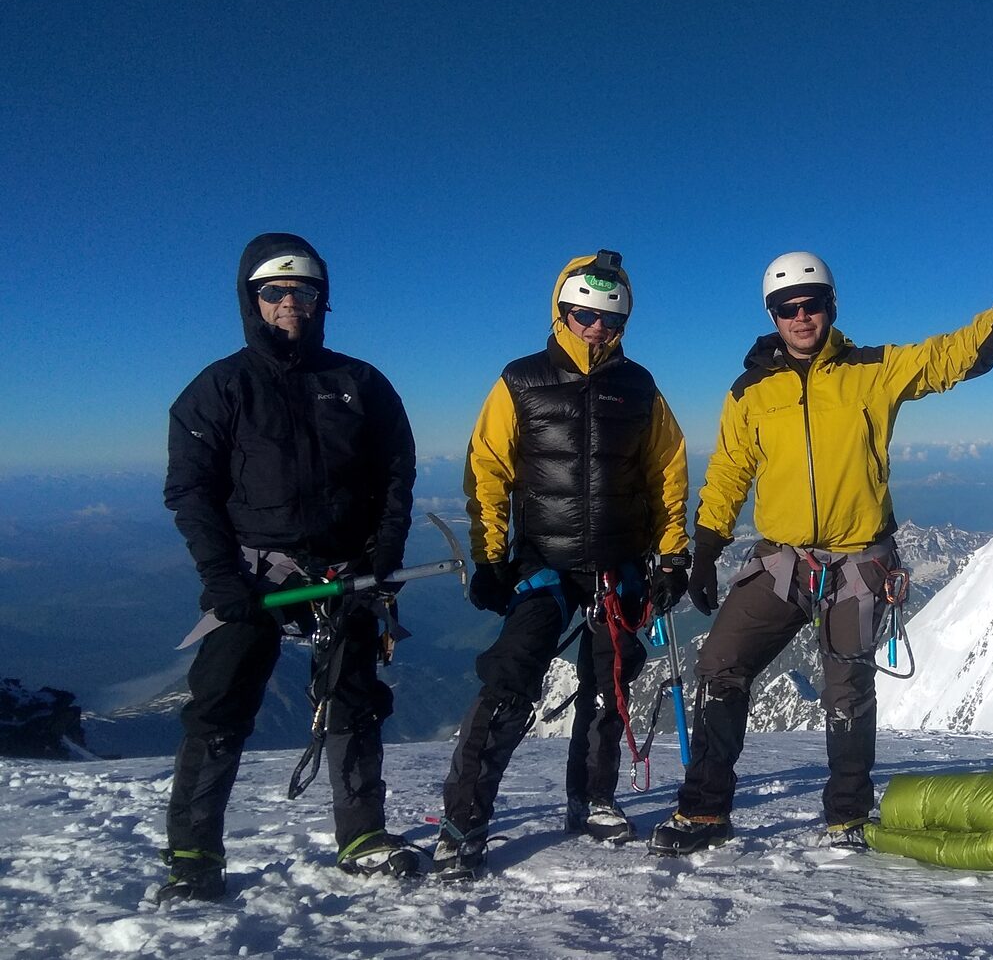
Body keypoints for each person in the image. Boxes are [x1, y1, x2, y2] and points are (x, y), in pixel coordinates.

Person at [649, 250, 993, 855]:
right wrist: (708, 545)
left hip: (858, 561)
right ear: (773, 316)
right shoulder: (749, 392)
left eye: (811, 304)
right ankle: (705, 811)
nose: (801, 317)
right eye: (787, 309)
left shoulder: (872, 370)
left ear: (830, 306)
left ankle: (846, 816)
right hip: (780, 560)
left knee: (846, 691)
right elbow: (729, 471)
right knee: (720, 665)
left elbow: (953, 356)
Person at [160, 233, 418, 901]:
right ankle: (193, 853)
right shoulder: (220, 388)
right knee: (220, 701)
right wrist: (221, 577)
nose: (289, 304)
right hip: (254, 575)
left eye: (302, 291)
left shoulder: (359, 384)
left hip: (343, 570)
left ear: (321, 298)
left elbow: (395, 472)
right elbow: (191, 489)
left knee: (353, 697)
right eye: (273, 292)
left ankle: (361, 835)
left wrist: (384, 555)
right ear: (252, 300)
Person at [435, 250, 689, 877]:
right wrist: (491, 555)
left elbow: (667, 472)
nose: (595, 329)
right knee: (509, 682)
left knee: (610, 687)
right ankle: (463, 819)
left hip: (616, 562)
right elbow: (488, 467)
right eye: (583, 316)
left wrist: (673, 551)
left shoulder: (639, 387)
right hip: (543, 561)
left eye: (608, 318)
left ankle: (593, 798)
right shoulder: (520, 380)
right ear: (562, 311)